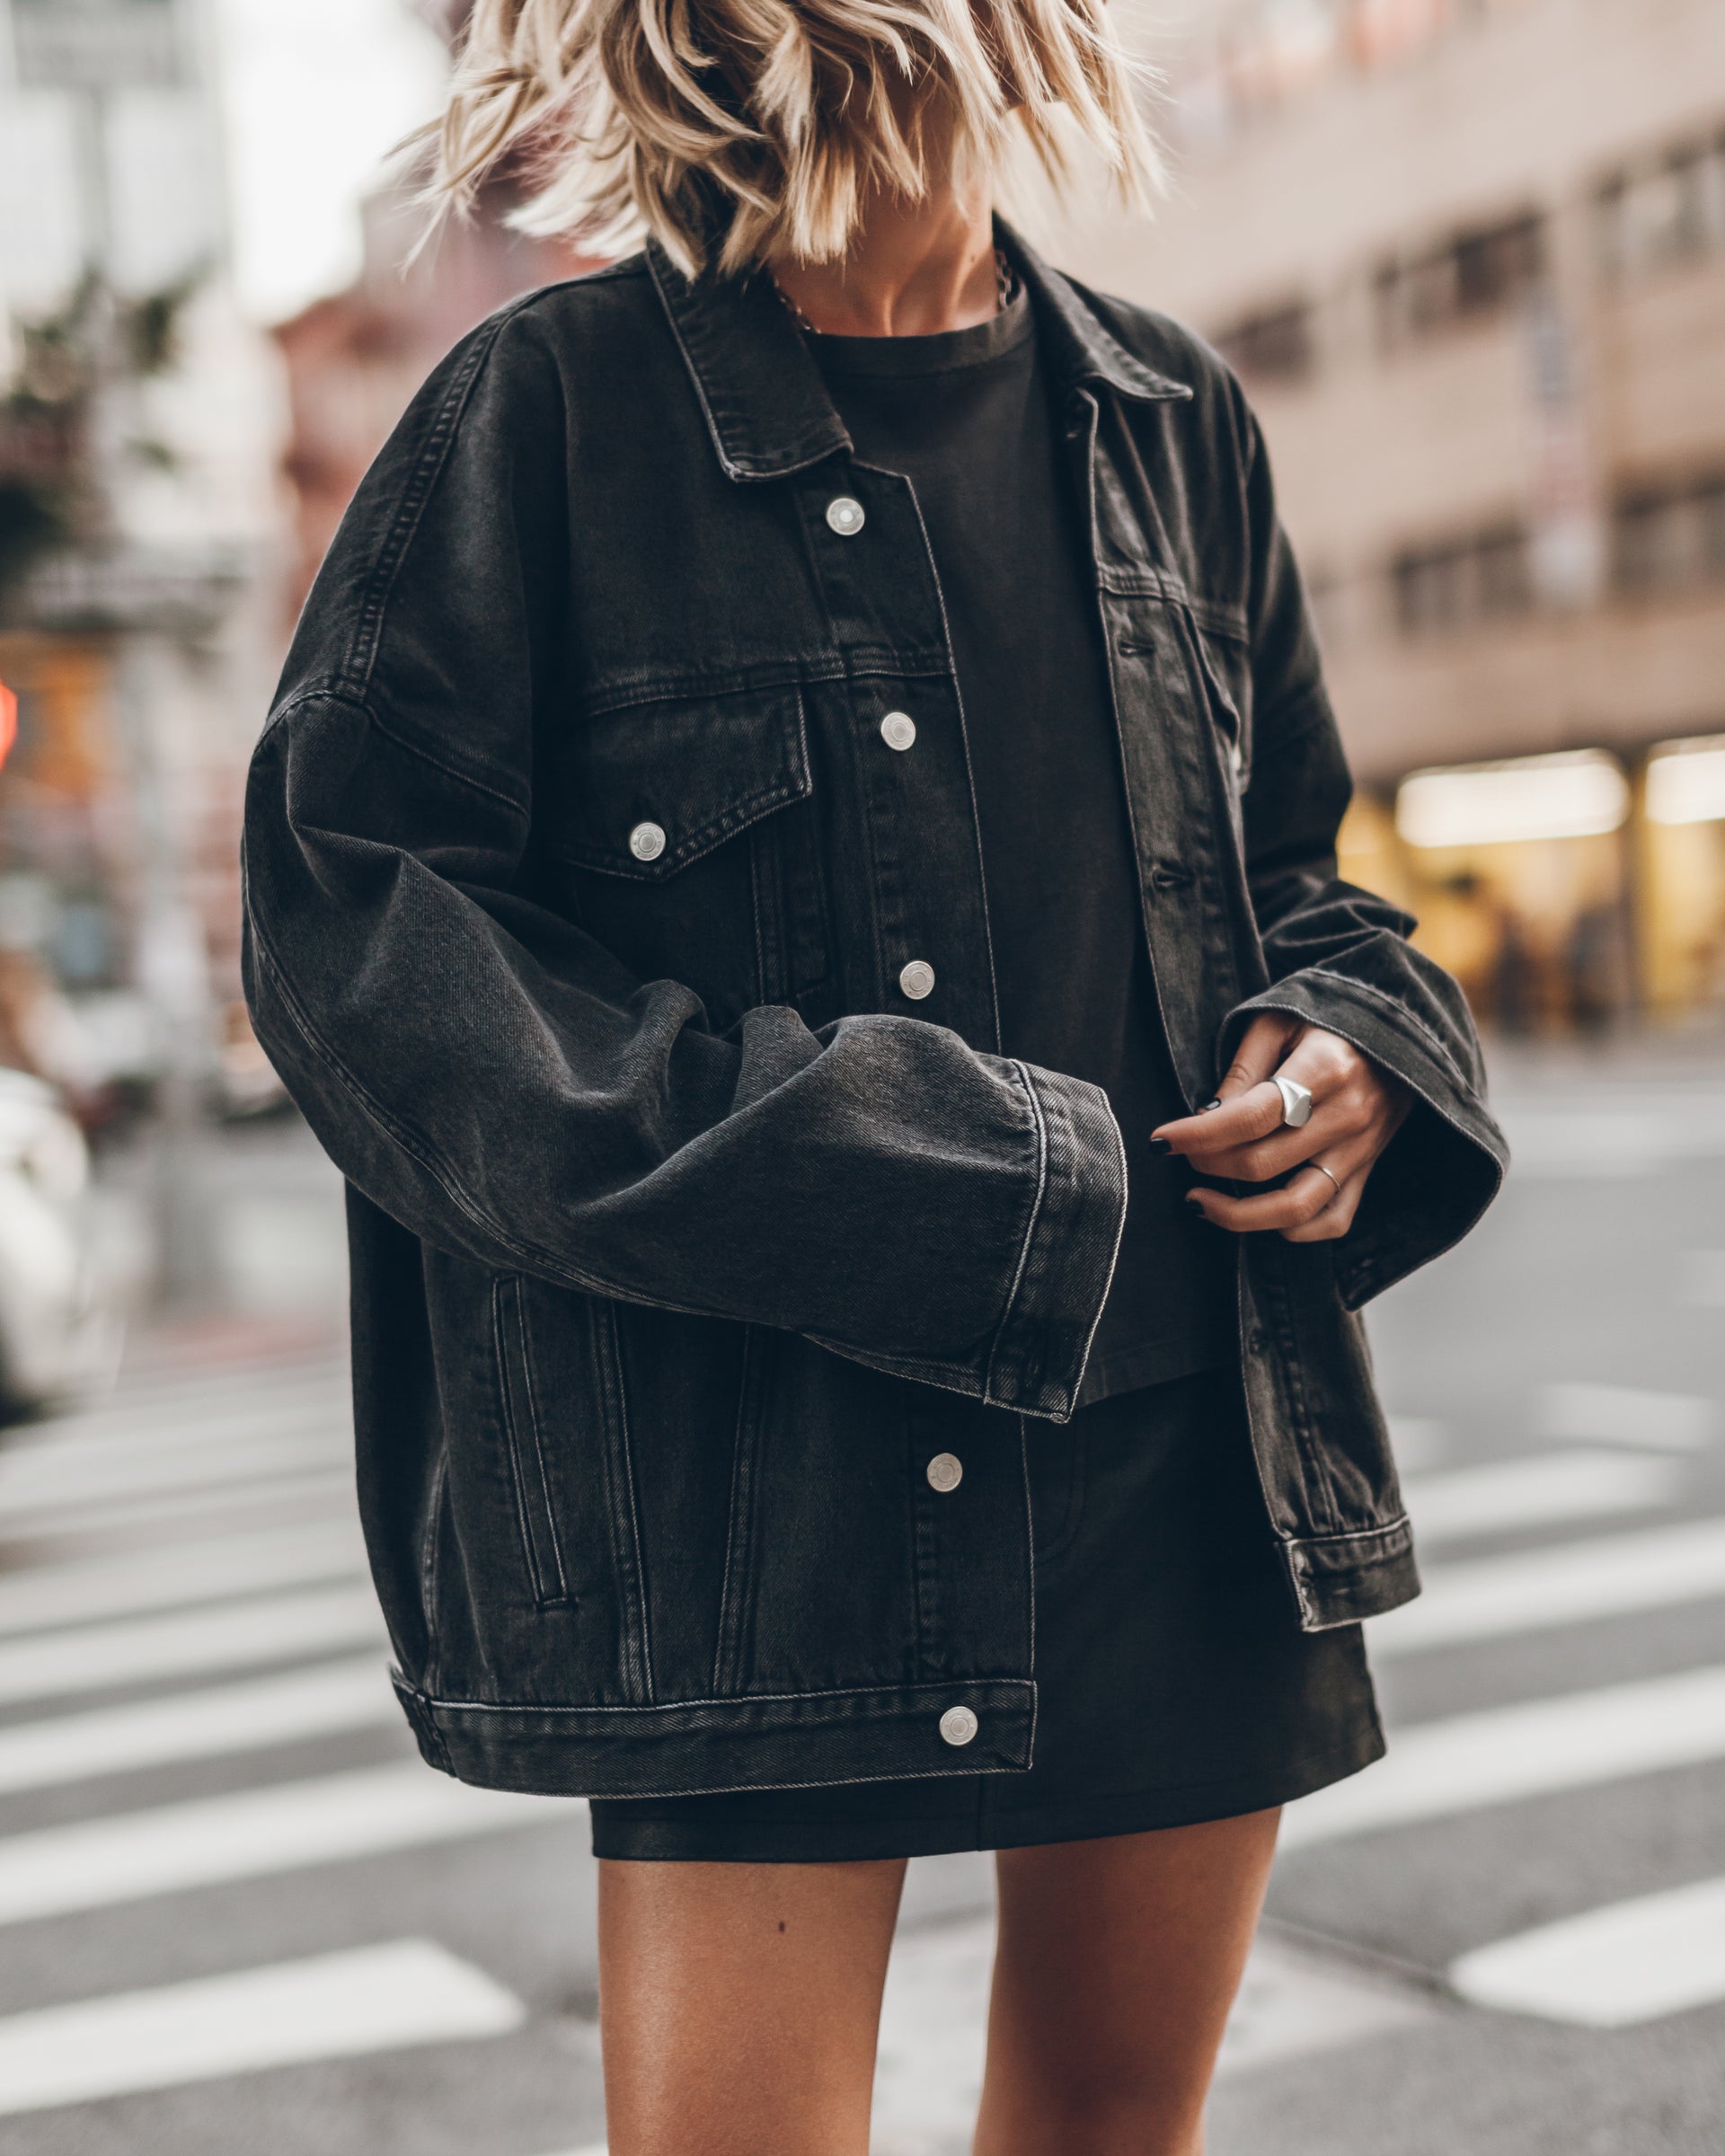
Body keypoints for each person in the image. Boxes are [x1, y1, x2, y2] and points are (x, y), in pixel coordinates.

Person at [242, 2, 1507, 2148]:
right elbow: (353, 934)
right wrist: (894, 1167)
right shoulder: (543, 421)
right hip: (767, 1502)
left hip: (1186, 1469)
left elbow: (1294, 871)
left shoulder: (1168, 415)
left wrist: (1359, 1047)